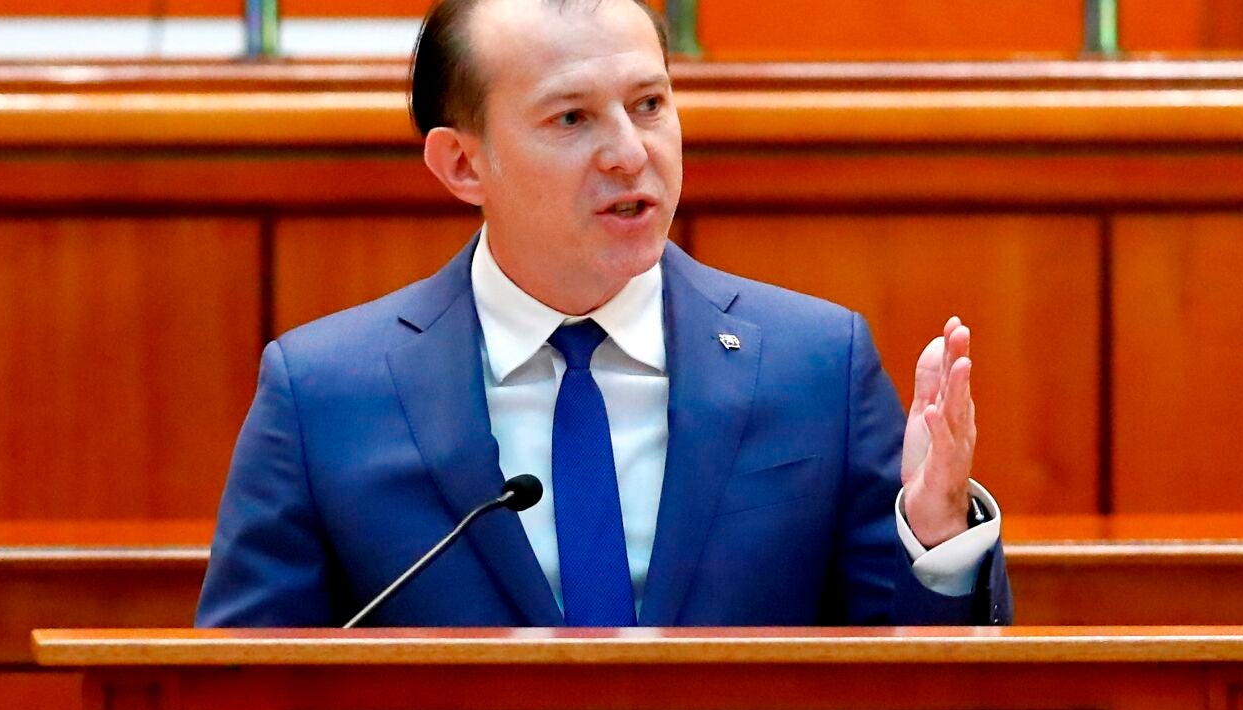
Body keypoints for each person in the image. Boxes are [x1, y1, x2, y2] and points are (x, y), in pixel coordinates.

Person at [194, 0, 1010, 627]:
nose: (629, 152)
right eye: (572, 118)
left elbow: (922, 703)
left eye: (649, 104)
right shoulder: (325, 396)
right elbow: (241, 709)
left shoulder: (816, 366)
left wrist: (936, 538)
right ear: (463, 164)